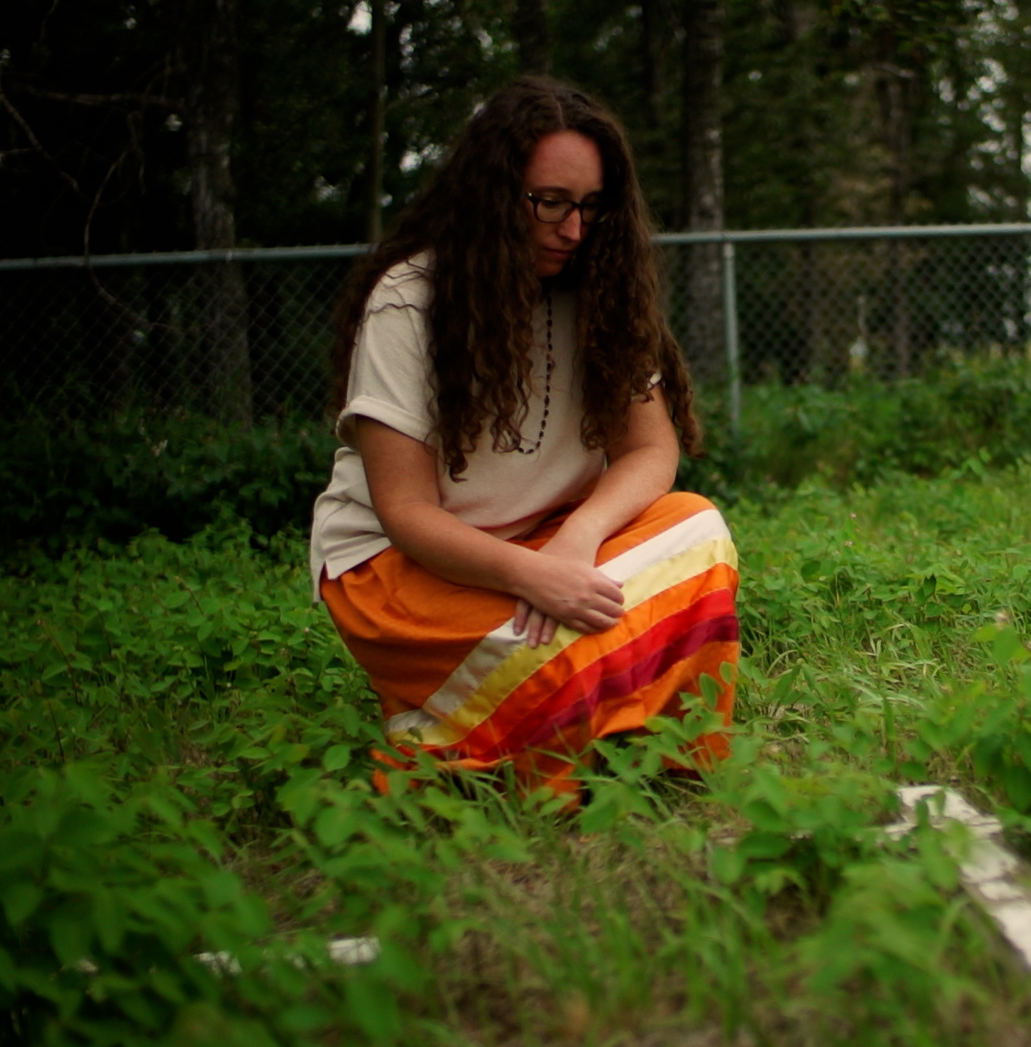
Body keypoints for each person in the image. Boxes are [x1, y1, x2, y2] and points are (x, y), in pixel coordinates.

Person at [309, 76, 737, 802]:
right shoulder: (409, 299)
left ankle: (617, 739)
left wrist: (576, 543)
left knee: (699, 533)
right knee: (560, 649)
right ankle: (459, 747)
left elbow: (650, 450)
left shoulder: (603, 289)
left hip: (551, 543)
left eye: (592, 207)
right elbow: (405, 512)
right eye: (549, 202)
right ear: (491, 193)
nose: (573, 230)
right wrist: (531, 578)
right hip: (406, 570)